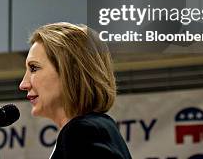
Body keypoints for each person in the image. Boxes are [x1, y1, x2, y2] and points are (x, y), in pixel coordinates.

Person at [19, 22, 132, 159]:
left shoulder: (82, 132)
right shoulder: (93, 129)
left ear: (71, 72)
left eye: (34, 68)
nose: (23, 84)